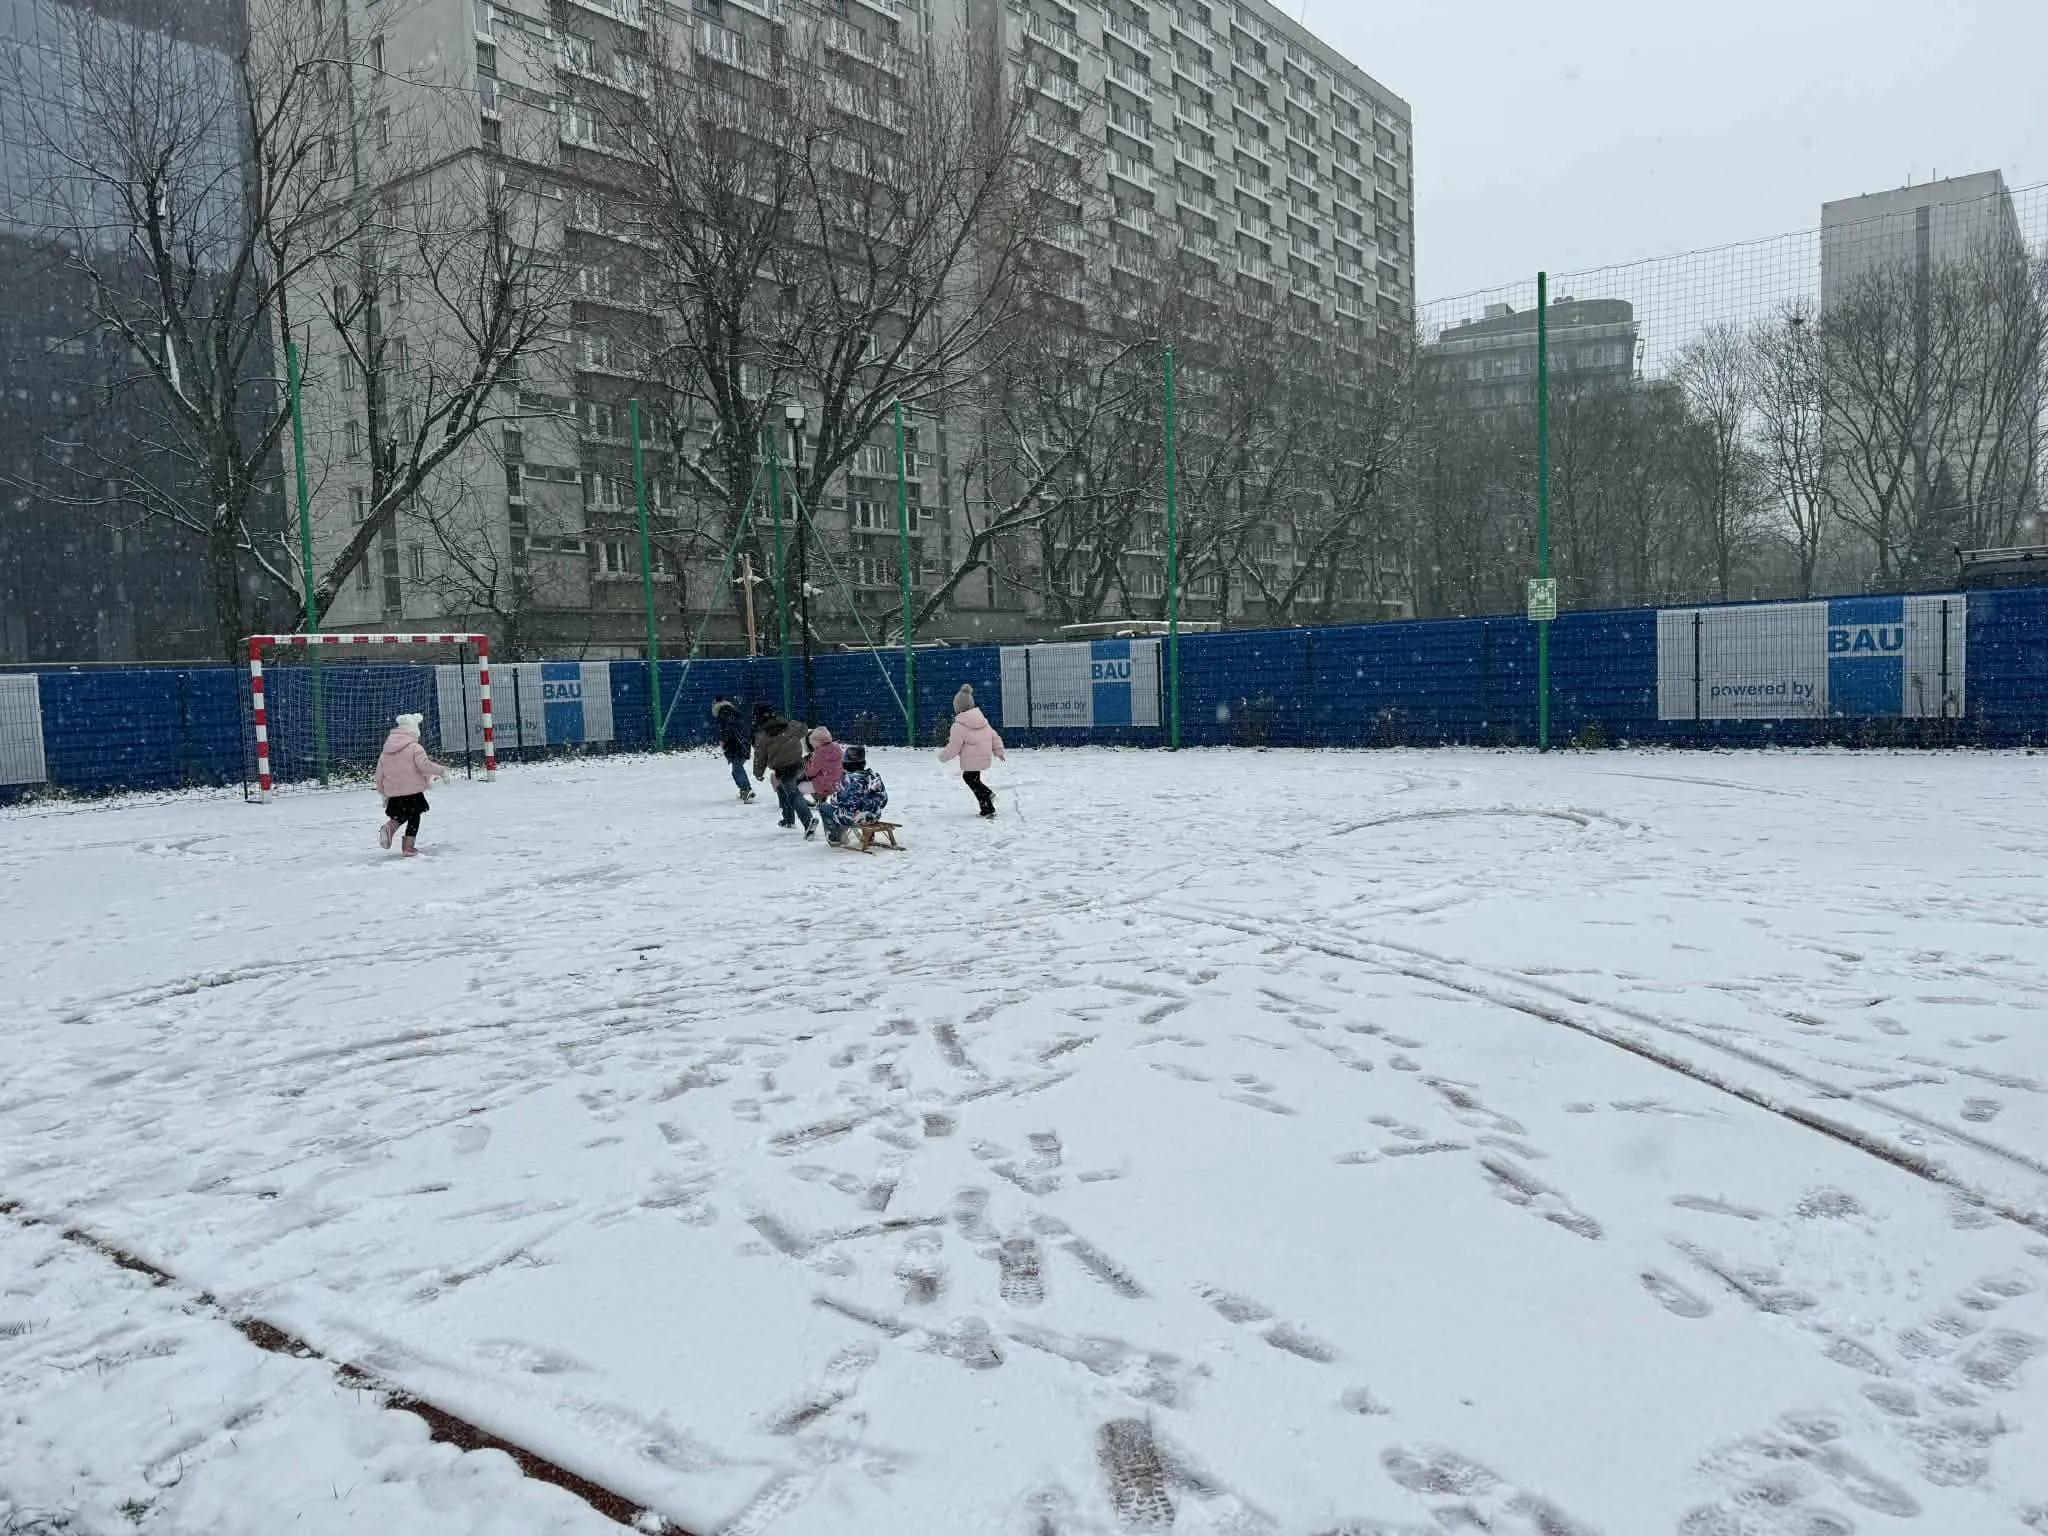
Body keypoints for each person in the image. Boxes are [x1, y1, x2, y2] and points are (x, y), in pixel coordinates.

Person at [375, 712, 449, 857]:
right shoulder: (415, 748)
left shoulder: (385, 752)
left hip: (394, 793)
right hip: (413, 790)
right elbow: (424, 766)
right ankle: (408, 847)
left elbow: (379, 774)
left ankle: (390, 827)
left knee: (401, 814)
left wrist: (382, 792)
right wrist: (441, 771)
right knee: (414, 815)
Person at [938, 683, 1005, 818]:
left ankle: (987, 799)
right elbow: (994, 736)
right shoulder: (982, 720)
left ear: (958, 708)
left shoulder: (958, 726)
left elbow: (954, 747)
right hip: (984, 757)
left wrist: (943, 757)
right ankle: (986, 804)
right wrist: (999, 751)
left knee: (969, 778)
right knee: (974, 779)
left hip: (971, 759)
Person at [752, 705, 816, 836]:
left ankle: (808, 821)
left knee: (794, 794)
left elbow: (760, 757)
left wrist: (758, 773)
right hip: (798, 764)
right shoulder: (789, 725)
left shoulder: (762, 736)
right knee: (782, 790)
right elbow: (804, 729)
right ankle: (788, 819)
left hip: (784, 769)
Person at [821, 744, 888, 846]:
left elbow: (835, 802)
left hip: (852, 818)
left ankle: (836, 838)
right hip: (874, 816)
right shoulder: (874, 776)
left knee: (824, 807)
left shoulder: (846, 779)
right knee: (866, 805)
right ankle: (869, 836)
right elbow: (883, 802)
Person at [712, 697, 755, 802]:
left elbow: (726, 731)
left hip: (735, 745)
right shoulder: (734, 712)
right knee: (736, 768)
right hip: (744, 742)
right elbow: (746, 726)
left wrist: (724, 741)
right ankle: (744, 789)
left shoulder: (723, 715)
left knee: (737, 768)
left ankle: (746, 789)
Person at [800, 725, 845, 805]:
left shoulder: (820, 752)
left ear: (816, 741)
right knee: (817, 778)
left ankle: (801, 804)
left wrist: (807, 763)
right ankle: (820, 799)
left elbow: (810, 772)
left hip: (825, 784)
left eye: (812, 743)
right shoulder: (836, 747)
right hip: (837, 782)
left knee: (799, 787)